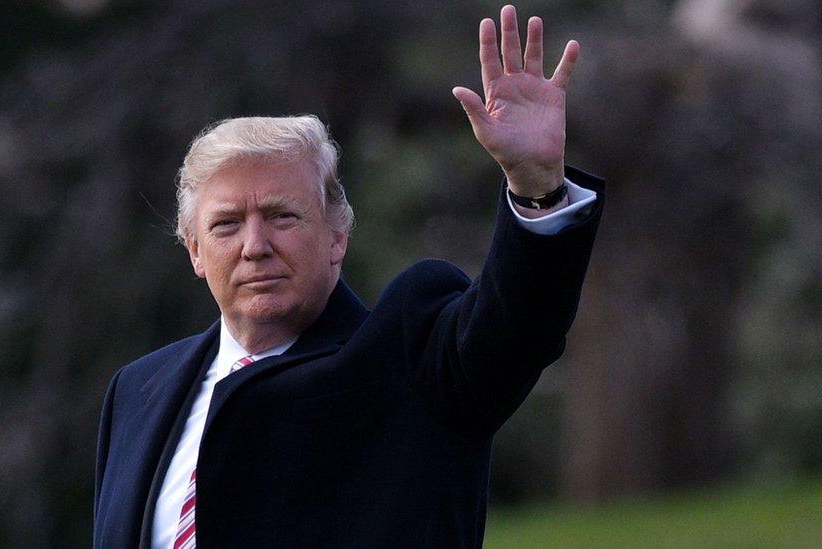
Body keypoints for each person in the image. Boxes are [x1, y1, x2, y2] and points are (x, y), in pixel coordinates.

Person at [94, 5, 603, 548]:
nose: (256, 246)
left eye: (282, 216)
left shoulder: (413, 362)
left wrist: (536, 187)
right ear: (194, 251)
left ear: (338, 233)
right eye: (226, 225)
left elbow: (518, 326)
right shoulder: (139, 389)